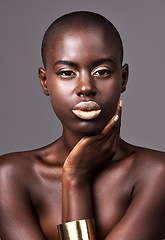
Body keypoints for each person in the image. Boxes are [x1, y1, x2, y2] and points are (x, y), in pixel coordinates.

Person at [0, 11, 165, 240]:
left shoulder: (157, 174)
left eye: (102, 72)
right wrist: (76, 176)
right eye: (67, 72)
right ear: (45, 81)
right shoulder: (9, 177)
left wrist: (75, 178)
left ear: (123, 78)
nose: (86, 87)